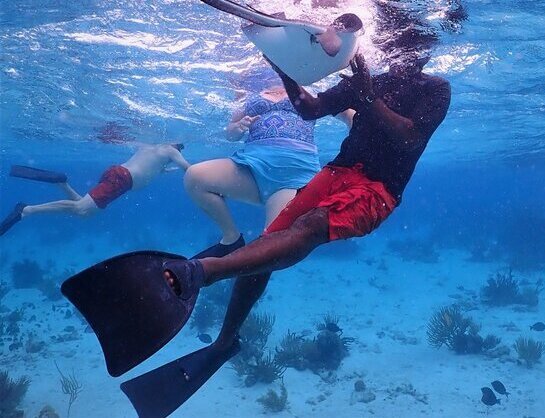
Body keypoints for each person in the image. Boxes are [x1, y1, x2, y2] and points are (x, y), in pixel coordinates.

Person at [170, 51, 451, 349]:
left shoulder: (436, 88)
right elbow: (310, 108)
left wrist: (368, 96)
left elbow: (410, 137)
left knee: (312, 224)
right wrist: (284, 68)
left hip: (378, 188)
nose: (405, 51)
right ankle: (226, 339)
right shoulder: (368, 82)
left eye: (414, 44)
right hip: (337, 171)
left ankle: (204, 271)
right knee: (270, 240)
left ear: (428, 52)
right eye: (399, 42)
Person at [184, 69, 353, 258]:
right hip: (250, 168)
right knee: (195, 177)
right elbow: (230, 133)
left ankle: (239, 277)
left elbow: (347, 114)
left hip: (293, 176)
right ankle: (231, 238)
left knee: (270, 247)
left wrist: (364, 131)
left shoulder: (311, 90)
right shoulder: (249, 95)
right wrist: (238, 128)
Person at [0, 143, 190, 236]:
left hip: (118, 174)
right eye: (180, 148)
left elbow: (148, 166)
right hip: (123, 180)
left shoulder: (153, 149)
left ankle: (61, 182)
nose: (179, 150)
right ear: (177, 147)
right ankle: (26, 210)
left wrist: (163, 170)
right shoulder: (171, 150)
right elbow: (188, 169)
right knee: (82, 209)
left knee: (85, 211)